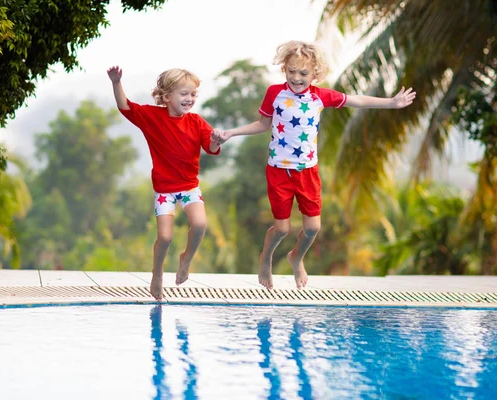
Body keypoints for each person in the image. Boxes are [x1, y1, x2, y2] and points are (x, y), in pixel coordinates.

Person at [212, 40, 416, 290]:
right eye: (291, 71)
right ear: (284, 69)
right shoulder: (275, 93)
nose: (296, 78)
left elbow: (357, 100)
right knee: (282, 229)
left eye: (303, 73)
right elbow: (263, 125)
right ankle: (265, 257)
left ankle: (296, 258)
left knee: (312, 228)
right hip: (279, 171)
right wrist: (231, 133)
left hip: (308, 171)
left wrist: (391, 103)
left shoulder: (321, 96)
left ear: (315, 74)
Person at [107, 65, 221, 300]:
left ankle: (185, 260)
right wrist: (116, 82)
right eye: (184, 94)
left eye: (193, 94)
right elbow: (125, 106)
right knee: (165, 238)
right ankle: (157, 273)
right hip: (164, 191)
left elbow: (210, 148)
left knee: (200, 225)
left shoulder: (197, 122)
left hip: (189, 186)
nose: (189, 99)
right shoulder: (152, 117)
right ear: (167, 97)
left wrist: (217, 141)